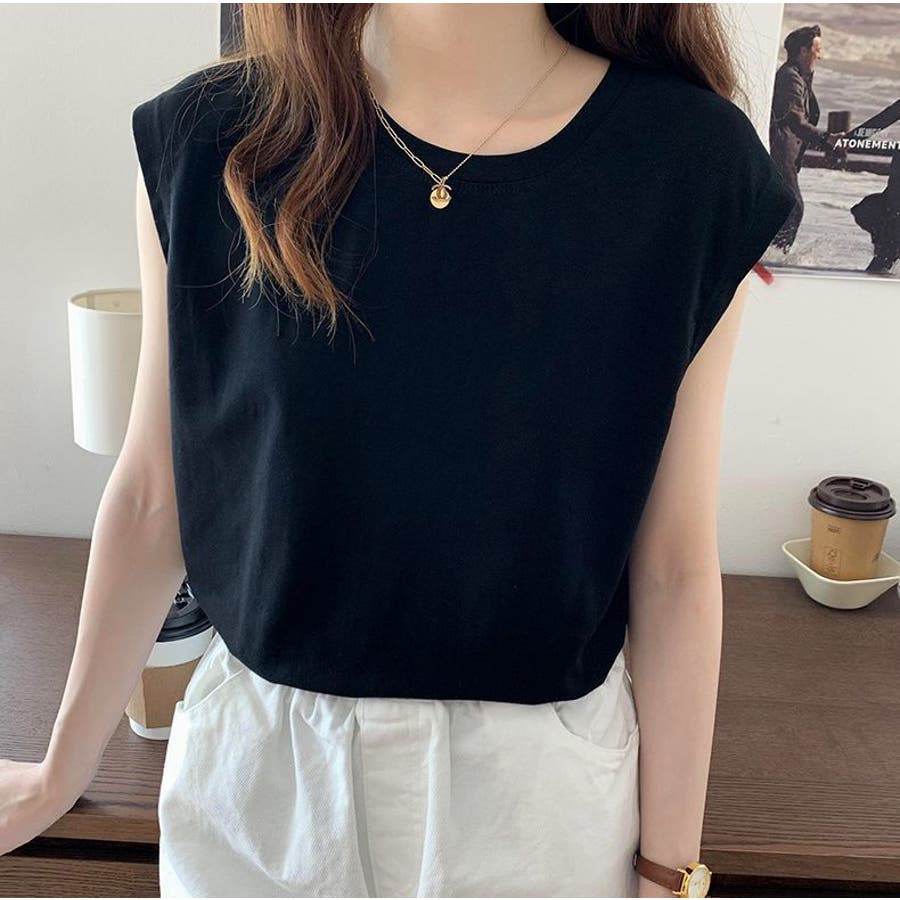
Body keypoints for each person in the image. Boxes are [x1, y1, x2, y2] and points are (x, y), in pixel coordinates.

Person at [0, 4, 797, 897]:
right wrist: (60, 772)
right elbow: (155, 496)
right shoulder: (209, 139)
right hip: (261, 785)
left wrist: (669, 870)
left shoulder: (691, 164)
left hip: (539, 808)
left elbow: (675, 563)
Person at [769, 24, 846, 251]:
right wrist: (827, 139)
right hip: (780, 153)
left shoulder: (800, 77)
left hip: (787, 155)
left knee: (780, 207)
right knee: (794, 207)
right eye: (817, 50)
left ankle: (769, 254)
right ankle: (775, 256)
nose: (820, 56)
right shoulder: (790, 78)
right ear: (803, 51)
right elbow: (795, 121)